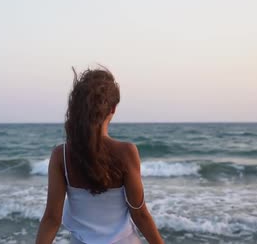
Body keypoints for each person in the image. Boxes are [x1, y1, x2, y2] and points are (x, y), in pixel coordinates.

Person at [36, 67, 163, 244]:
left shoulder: (61, 155)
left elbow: (51, 219)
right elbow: (140, 213)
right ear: (113, 108)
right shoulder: (126, 152)